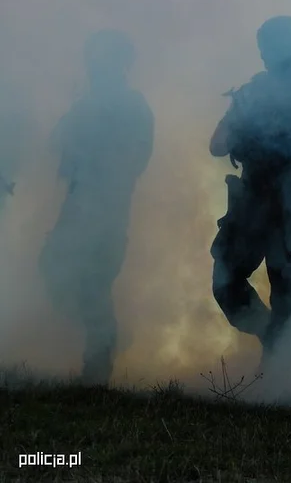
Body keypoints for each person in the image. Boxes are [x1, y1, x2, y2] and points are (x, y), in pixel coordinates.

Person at [209, 16, 291, 379]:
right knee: (227, 282)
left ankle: (276, 382)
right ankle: (272, 339)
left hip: (290, 207)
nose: (267, 54)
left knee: (287, 295)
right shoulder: (253, 93)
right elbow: (218, 144)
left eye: (270, 46)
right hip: (251, 202)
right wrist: (241, 126)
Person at [39, 29, 155, 385]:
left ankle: (98, 364)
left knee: (93, 282)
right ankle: (103, 339)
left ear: (120, 64)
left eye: (102, 58)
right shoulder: (86, 103)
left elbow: (135, 158)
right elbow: (55, 142)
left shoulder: (132, 105)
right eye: (92, 57)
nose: (93, 65)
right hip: (78, 204)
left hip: (107, 208)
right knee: (55, 270)